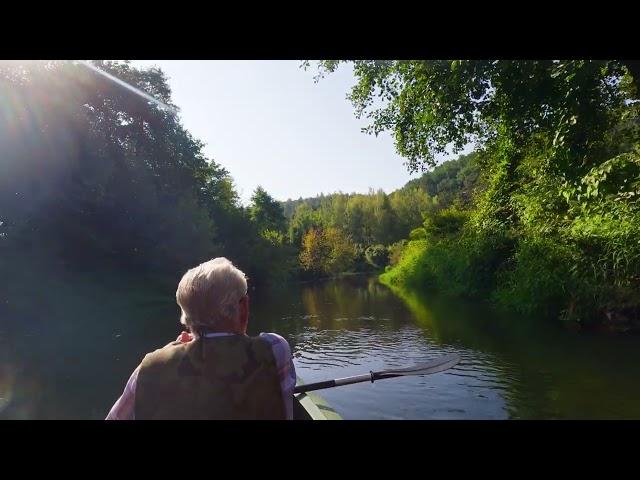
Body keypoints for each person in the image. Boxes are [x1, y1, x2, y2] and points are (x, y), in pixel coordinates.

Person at [106, 257, 296, 420]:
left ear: (186, 317)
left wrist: (171, 351)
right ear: (244, 307)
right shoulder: (274, 348)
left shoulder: (147, 368)